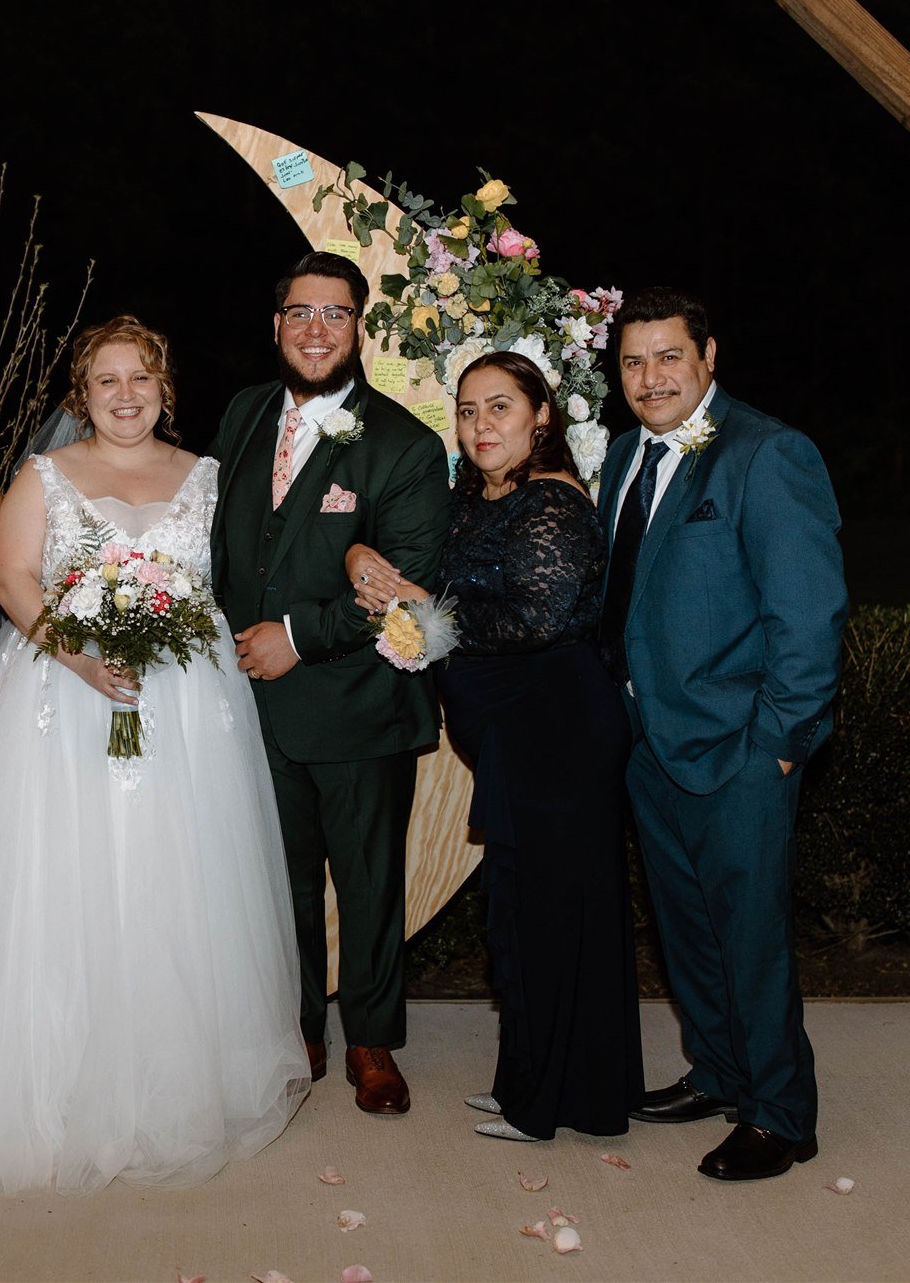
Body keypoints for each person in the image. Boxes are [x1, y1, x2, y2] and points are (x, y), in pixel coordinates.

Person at [0, 315, 308, 1193]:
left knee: (178, 881)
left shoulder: (206, 476)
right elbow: (12, 577)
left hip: (185, 707)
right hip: (63, 694)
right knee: (63, 880)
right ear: (82, 395)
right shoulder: (44, 475)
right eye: (106, 381)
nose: (125, 395)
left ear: (164, 389)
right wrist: (80, 657)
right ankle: (53, 1085)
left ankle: (170, 1083)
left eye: (140, 379)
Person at [347, 352, 643, 1143]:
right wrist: (361, 558)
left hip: (557, 730)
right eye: (469, 409)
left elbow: (535, 617)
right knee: (526, 912)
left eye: (500, 406)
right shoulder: (475, 497)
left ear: (540, 415)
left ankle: (540, 1104)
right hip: (521, 733)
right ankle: (545, 1086)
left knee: (547, 916)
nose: (481, 424)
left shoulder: (550, 501)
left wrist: (428, 609)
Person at [595, 287, 845, 1182]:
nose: (651, 377)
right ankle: (717, 1072)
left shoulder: (767, 454)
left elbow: (808, 617)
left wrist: (777, 745)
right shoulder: (622, 455)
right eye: (633, 361)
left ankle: (780, 1113)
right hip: (646, 745)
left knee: (750, 938)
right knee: (686, 929)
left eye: (669, 357)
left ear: (708, 358)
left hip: (739, 749)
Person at [208, 249, 450, 1115]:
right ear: (276, 325)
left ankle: (372, 1042)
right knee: (281, 883)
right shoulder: (242, 414)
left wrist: (297, 637)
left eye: (336, 314)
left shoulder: (406, 445)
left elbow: (408, 585)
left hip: (358, 704)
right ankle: (301, 1028)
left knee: (368, 881)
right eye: (301, 313)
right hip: (250, 704)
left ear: (359, 328)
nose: (317, 330)